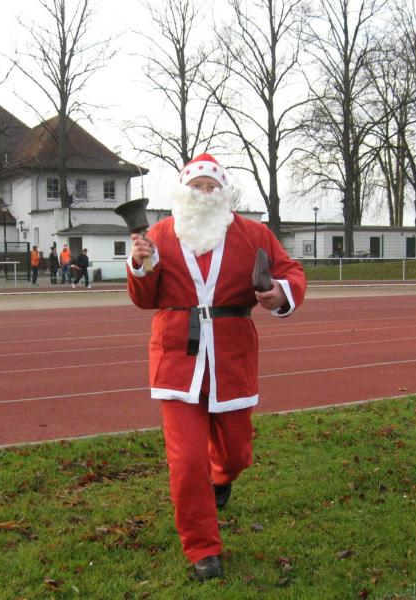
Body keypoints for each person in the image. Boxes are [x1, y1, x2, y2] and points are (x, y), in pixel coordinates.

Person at [125, 153, 306, 581]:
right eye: (197, 186)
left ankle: (222, 477)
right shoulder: (158, 235)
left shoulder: (253, 234)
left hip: (231, 358)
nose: (204, 193)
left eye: (212, 187)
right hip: (176, 360)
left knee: (237, 453)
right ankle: (203, 549)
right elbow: (144, 299)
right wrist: (139, 265)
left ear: (224, 193)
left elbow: (291, 272)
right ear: (184, 191)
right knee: (187, 462)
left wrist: (280, 294)